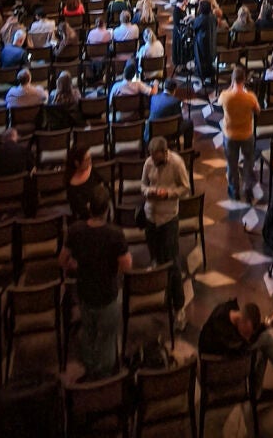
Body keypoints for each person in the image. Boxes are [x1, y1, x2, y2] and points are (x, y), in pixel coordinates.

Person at [60, 184, 131, 378]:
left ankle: (91, 371)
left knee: (89, 333)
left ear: (89, 207)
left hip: (85, 291)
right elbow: (126, 266)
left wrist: (76, 265)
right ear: (107, 209)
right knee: (107, 340)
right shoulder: (115, 234)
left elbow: (62, 260)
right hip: (107, 293)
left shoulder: (75, 230)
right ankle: (104, 381)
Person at [198, 297, 273, 400]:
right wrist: (266, 326)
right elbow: (245, 345)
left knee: (264, 341)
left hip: (222, 353)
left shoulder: (230, 311)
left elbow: (251, 338)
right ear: (244, 321)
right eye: (246, 333)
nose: (248, 337)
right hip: (216, 368)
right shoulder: (226, 333)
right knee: (264, 348)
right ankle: (259, 393)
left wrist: (268, 323)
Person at [141, 135, 191, 331]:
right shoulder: (148, 163)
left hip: (168, 218)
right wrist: (149, 192)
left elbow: (186, 188)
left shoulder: (177, 164)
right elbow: (143, 185)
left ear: (164, 152)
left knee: (172, 263)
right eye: (151, 156)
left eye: (156, 156)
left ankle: (179, 308)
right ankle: (158, 293)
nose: (153, 160)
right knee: (155, 259)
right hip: (150, 216)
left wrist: (168, 194)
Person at [218, 65, 260, 201]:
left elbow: (218, 103)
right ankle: (247, 188)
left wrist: (230, 88)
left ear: (232, 79)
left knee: (232, 163)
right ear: (244, 79)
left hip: (230, 135)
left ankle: (234, 189)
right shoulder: (250, 97)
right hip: (247, 134)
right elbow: (258, 110)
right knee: (248, 161)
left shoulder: (225, 96)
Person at [146, 76, 193, 147]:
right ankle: (188, 150)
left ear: (164, 87)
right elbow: (179, 120)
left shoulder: (154, 97)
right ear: (175, 90)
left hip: (151, 132)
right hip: (168, 133)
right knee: (189, 123)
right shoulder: (176, 101)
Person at [65, 144, 102, 221]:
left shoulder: (91, 170)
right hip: (84, 218)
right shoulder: (71, 184)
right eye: (87, 159)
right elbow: (78, 208)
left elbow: (101, 184)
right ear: (77, 163)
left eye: (90, 157)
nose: (90, 161)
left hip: (99, 210)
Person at [193, 0, 217, 85]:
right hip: (212, 40)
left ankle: (203, 77)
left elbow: (194, 27)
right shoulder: (213, 17)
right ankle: (210, 76)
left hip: (202, 43)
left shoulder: (201, 19)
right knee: (210, 60)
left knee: (202, 60)